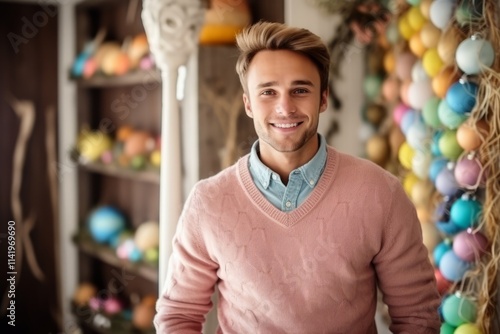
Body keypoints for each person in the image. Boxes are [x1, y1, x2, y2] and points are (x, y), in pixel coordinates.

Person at [154, 21, 441, 333]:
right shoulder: (207, 201)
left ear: (323, 98)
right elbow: (178, 317)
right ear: (248, 103)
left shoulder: (380, 193)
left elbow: (417, 316)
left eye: (300, 90)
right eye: (268, 92)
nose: (285, 107)